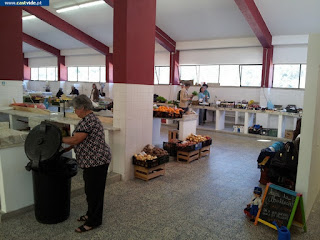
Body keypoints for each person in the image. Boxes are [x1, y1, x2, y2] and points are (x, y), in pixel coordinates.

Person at [62, 95, 111, 233]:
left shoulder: (89, 121)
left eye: (75, 108)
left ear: (82, 108)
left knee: (95, 192)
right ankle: (90, 214)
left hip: (97, 162)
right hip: (91, 161)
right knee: (90, 191)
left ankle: (94, 221)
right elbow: (79, 140)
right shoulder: (87, 119)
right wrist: (68, 147)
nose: (74, 111)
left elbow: (76, 139)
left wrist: (59, 139)